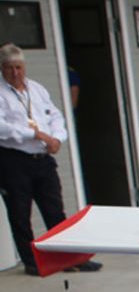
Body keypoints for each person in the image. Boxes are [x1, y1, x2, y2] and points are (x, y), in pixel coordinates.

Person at [0, 44, 100, 276]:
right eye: (9, 68)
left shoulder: (36, 89)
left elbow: (55, 116)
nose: (15, 73)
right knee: (20, 214)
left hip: (42, 159)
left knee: (55, 210)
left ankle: (69, 258)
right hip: (14, 161)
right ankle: (33, 263)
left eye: (19, 67)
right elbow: (3, 127)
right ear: (2, 69)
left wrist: (56, 138)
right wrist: (35, 134)